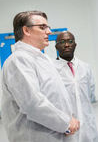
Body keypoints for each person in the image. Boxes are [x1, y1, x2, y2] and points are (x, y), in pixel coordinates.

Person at [1, 11, 80, 142]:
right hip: (36, 136)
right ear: (26, 30)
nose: (49, 31)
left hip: (56, 132)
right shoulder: (18, 60)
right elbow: (32, 104)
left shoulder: (42, 58)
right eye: (43, 27)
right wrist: (65, 123)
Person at [55, 31, 98, 142]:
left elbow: (91, 94)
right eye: (62, 42)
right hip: (65, 124)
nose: (66, 45)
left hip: (88, 123)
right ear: (56, 46)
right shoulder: (51, 69)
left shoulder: (85, 67)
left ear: (75, 44)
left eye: (70, 41)